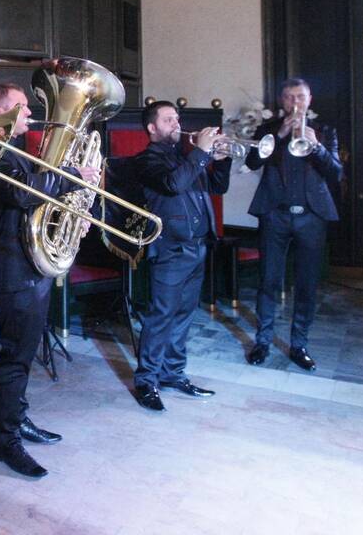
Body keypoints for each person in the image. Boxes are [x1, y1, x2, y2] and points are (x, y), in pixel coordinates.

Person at [0, 82, 95, 478]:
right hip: (13, 269)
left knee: (23, 356)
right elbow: (24, 194)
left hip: (32, 266)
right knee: (14, 360)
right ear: (0, 110)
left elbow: (40, 197)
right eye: (22, 107)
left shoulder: (15, 150)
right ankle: (7, 443)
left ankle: (18, 420)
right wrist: (73, 176)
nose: (29, 114)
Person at [131, 102, 230, 412]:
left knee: (184, 315)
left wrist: (221, 161)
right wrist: (200, 154)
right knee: (161, 317)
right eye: (168, 119)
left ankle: (173, 373)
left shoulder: (184, 158)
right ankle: (146, 381)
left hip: (197, 247)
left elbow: (218, 186)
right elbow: (173, 185)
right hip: (171, 250)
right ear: (152, 128)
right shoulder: (148, 160)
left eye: (177, 118)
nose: (176, 123)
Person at [244, 78, 342, 371]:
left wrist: (317, 147)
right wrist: (280, 135)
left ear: (309, 99)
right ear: (281, 102)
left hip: (312, 216)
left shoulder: (325, 131)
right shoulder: (267, 130)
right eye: (289, 97)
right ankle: (262, 341)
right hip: (275, 213)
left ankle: (299, 344)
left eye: (300, 96)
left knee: (306, 283)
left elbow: (336, 173)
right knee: (268, 280)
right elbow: (251, 163)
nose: (295, 102)